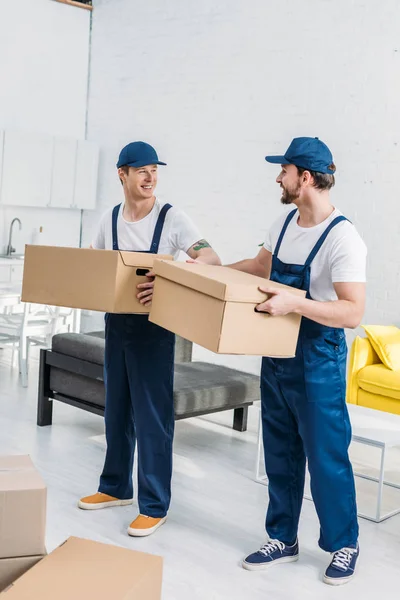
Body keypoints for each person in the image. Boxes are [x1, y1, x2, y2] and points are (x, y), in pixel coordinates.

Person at [230, 137, 366, 585]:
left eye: (283, 171)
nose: (278, 178)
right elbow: (256, 266)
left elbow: (352, 312)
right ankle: (282, 537)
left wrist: (295, 302)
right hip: (277, 353)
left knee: (326, 456)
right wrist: (198, 275)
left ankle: (344, 544)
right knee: (281, 452)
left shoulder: (344, 237)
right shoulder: (284, 222)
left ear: (305, 178)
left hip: (318, 359)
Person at [78, 141, 220, 537]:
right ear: (121, 174)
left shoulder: (172, 218)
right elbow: (93, 262)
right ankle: (114, 487)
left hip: (154, 331)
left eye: (155, 170)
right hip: (115, 325)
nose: (150, 177)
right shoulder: (109, 220)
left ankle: (154, 505)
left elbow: (211, 261)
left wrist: (170, 275)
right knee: (116, 410)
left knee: (152, 418)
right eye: (141, 170)